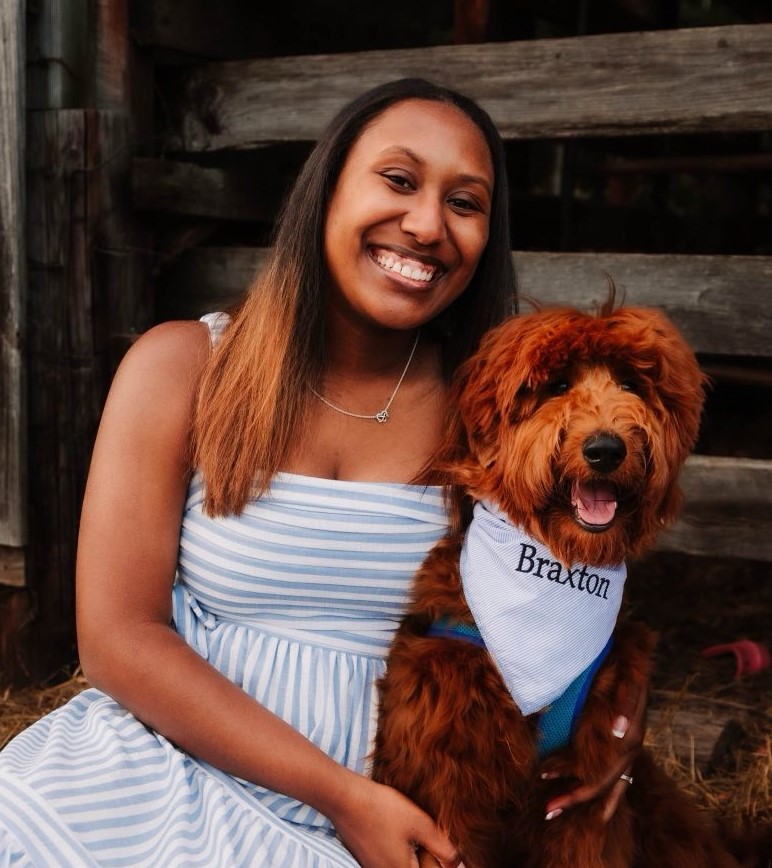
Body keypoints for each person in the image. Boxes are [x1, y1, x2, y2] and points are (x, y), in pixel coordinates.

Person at [0, 78, 643, 867]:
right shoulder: (185, 368)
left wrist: (611, 715)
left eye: (465, 203)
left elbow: (577, 580)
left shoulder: (500, 412)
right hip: (165, 759)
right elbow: (117, 638)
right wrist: (338, 795)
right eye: (399, 180)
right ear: (328, 188)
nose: (426, 224)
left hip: (402, 800)